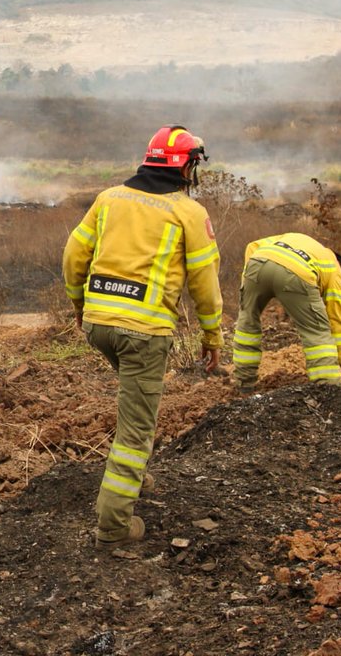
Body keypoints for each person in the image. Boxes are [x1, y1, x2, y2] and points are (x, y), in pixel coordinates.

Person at [62, 126, 224, 546]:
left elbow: (73, 255)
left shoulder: (109, 198)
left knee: (133, 406)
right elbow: (205, 284)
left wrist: (81, 307)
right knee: (136, 431)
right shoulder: (188, 213)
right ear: (185, 166)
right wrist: (212, 336)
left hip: (100, 327)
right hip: (144, 334)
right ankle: (113, 526)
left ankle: (132, 477)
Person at [232, 233, 341, 394]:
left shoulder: (300, 239)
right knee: (318, 333)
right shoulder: (334, 268)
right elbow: (336, 319)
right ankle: (329, 391)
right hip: (297, 273)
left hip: (257, 262)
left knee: (247, 323)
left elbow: (253, 245)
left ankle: (243, 384)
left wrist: (249, 282)